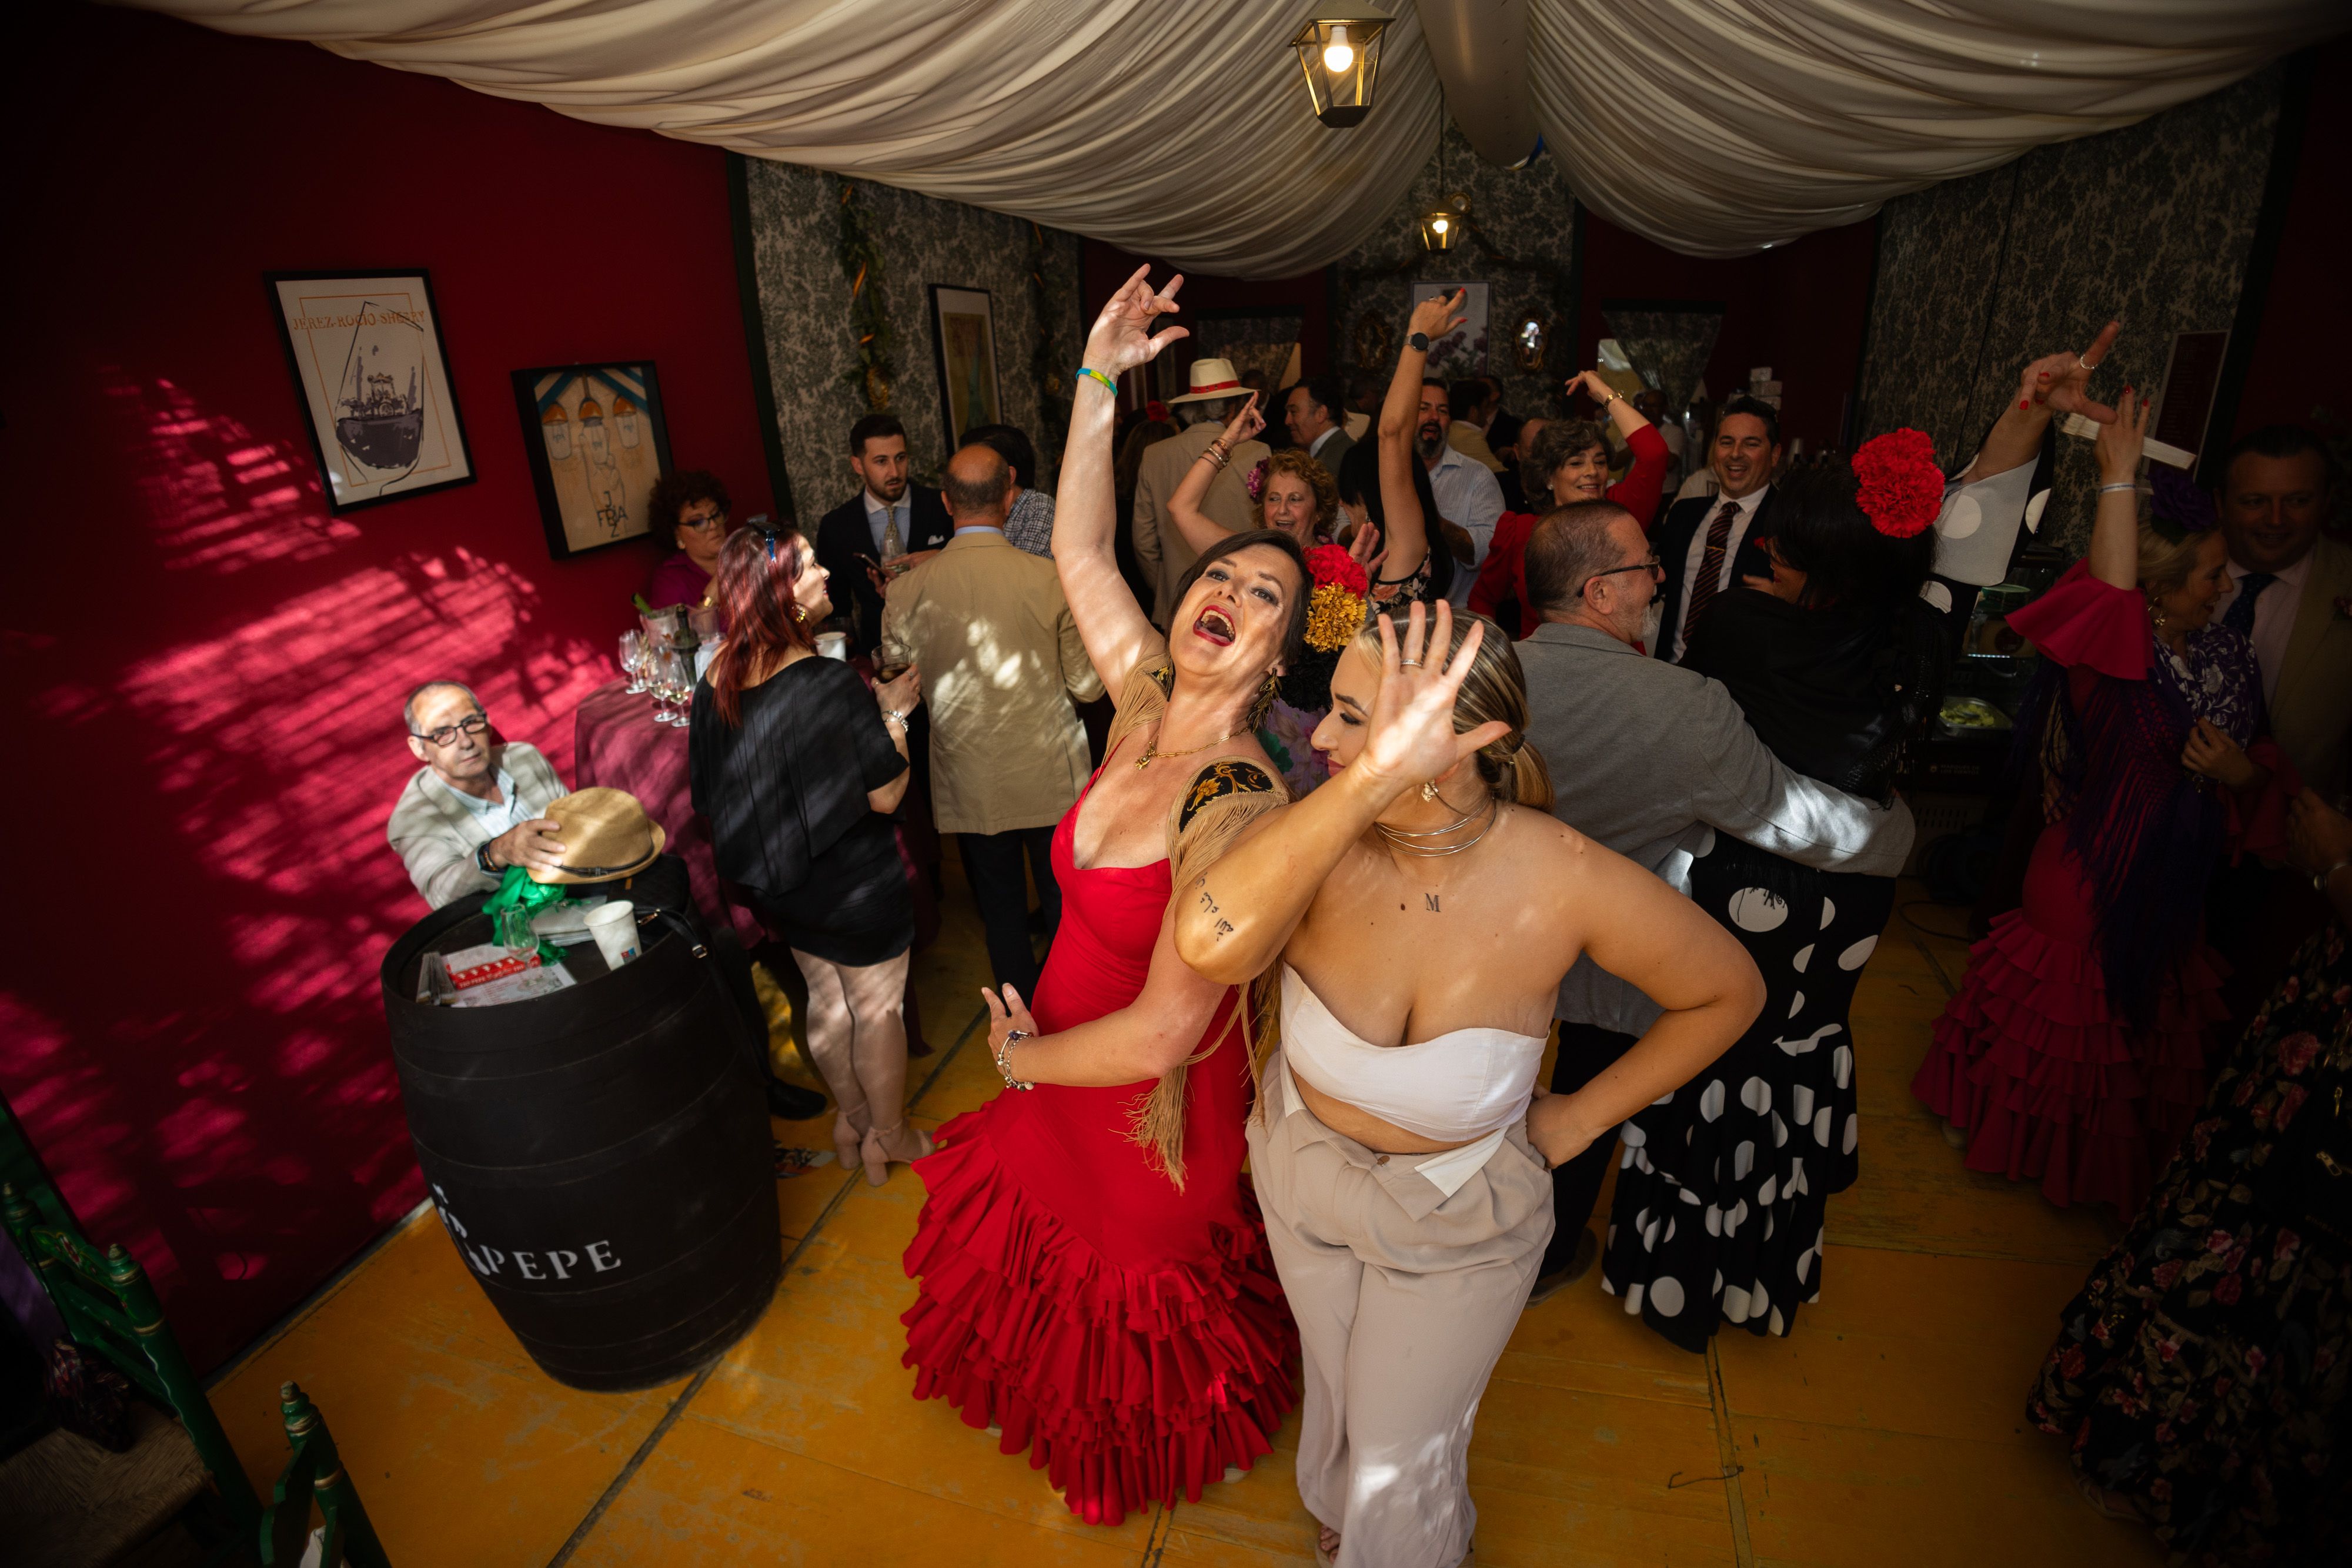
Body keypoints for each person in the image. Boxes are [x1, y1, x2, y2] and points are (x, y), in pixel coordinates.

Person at [1167, 599, 1763, 1567]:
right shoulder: (1319, 838)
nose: (1319, 735)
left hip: (1460, 1222)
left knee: (1405, 1456)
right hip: (1302, 1172)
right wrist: (1361, 782)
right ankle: (1337, 1503)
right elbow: (1209, 945)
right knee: (1339, 1384)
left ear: (1456, 740)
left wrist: (1575, 1121)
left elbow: (1728, 991)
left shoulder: (1568, 878)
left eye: (1355, 717)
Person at [897, 268, 1301, 1527]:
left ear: (1280, 652)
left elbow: (1172, 1030)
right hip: (1061, 1056)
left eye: (1262, 594)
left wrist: (1019, 1061)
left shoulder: (1235, 797)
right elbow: (1071, 543)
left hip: (1141, 1100)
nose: (1225, 596)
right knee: (1040, 1254)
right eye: (1216, 579)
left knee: (1131, 1301)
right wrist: (1091, 377)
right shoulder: (1135, 702)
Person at [1512, 501, 1918, 1303]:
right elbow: (1793, 818)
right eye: (1645, 569)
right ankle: (1548, 1246)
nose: (1660, 581)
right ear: (1598, 592)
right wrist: (1894, 830)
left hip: (1487, 946)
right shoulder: (1685, 704)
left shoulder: (1488, 669)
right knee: (1586, 1089)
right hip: (1601, 961)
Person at [1599, 433, 1952, 1349]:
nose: (1769, 552)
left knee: (1708, 1046)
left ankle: (1674, 1275)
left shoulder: (1738, 626)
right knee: (1793, 1053)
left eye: (1786, 542)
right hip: (1851, 904)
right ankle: (1762, 1273)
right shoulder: (1918, 633)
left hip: (1747, 882)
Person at [1914, 391, 2290, 1216]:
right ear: (2159, 587)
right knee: (2059, 1035)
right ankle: (2017, 1145)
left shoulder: (2228, 653)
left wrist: (2244, 778)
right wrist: (2117, 479)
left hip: (2175, 879)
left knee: (2133, 1040)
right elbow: (2113, 599)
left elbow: (2262, 759)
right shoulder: (2114, 655)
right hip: (2089, 878)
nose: (2224, 586)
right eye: (2209, 574)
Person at [2027, 788, 2352, 1561]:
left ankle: (2200, 1476)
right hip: (2320, 1022)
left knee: (2290, 1253)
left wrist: (2338, 861)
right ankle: (2162, 1446)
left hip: (2330, 1098)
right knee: (2237, 1219)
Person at [689, 523, 928, 1186]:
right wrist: (896, 715)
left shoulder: (715, 676)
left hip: (784, 883)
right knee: (877, 1007)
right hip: (853, 884)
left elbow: (708, 795)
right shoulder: (825, 682)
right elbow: (886, 795)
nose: (825, 574)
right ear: (783, 594)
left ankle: (850, 1120)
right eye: (811, 568)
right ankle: (893, 1134)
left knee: (826, 999)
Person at [881, 443, 1104, 998]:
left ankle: (1017, 1021)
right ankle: (1070, 1009)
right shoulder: (1050, 580)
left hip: (969, 770)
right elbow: (1087, 685)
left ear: (945, 503)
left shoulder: (906, 590)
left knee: (1000, 906)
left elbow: (899, 685)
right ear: (1010, 495)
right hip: (1051, 768)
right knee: (1064, 905)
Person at [1470, 372, 1672, 637]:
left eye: (1600, 462)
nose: (1593, 472)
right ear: (1548, 477)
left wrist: (1605, 395)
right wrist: (1495, 654)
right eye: (1576, 463)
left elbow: (1655, 454)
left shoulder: (1622, 515)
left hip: (1619, 668)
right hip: (1542, 670)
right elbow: (1482, 599)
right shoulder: (1519, 531)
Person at [2214, 424, 2348, 804]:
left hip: (2290, 836)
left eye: (2298, 501)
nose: (2276, 520)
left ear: (2325, 500)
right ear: (2220, 504)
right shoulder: (2167, 571)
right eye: (2255, 501)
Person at [386, 681, 569, 908]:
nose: (465, 742)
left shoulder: (525, 757)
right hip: (512, 927)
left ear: (488, 724)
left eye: (471, 723)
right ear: (419, 748)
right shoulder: (413, 819)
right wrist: (496, 853)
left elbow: (574, 824)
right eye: (442, 734)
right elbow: (440, 894)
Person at [1131, 357, 1271, 628]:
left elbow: (1143, 540)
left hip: (1178, 597)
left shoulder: (1155, 455)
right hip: (1243, 598)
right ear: (1233, 408)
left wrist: (1166, 585)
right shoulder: (1259, 451)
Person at [1652, 393, 1783, 663]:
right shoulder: (1683, 515)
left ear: (1775, 455)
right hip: (1673, 670)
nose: (1736, 454)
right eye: (1726, 442)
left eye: (1751, 444)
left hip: (1743, 686)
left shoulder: (1790, 523)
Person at [814, 413, 954, 656]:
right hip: (880, 653)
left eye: (900, 458)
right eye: (881, 462)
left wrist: (938, 558)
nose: (895, 471)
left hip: (945, 643)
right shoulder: (837, 525)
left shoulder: (942, 505)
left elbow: (969, 567)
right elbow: (837, 610)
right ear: (858, 465)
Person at [1412, 370, 1505, 607]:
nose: (1434, 417)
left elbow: (1489, 553)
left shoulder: (1478, 476)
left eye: (1442, 411)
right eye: (1424, 408)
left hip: (1456, 618)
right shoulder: (1383, 471)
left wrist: (1434, 522)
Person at [1114, 409, 1177, 611]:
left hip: (1123, 597)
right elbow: (1146, 546)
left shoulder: (1113, 499)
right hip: (1156, 597)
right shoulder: (1168, 503)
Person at [961, 423, 1055, 559]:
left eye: (975, 467)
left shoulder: (1039, 506)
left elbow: (1022, 570)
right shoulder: (976, 507)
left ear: (1009, 475)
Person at [643, 469, 734, 610]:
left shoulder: (742, 555)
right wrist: (710, 597)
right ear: (677, 534)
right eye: (698, 522)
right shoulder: (671, 580)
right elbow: (673, 632)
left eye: (716, 515)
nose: (713, 525)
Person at [1285, 372, 1355, 479]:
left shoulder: (1327, 466)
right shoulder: (1345, 448)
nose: (1287, 421)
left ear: (1321, 414)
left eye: (1294, 412)